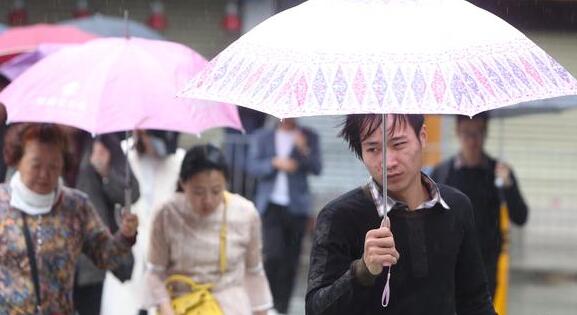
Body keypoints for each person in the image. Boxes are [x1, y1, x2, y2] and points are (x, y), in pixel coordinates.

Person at [306, 114, 496, 315]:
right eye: (373, 149)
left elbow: (475, 301)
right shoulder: (339, 216)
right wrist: (363, 270)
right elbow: (316, 309)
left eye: (398, 144)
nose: (388, 162)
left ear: (422, 137)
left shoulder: (456, 207)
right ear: (361, 152)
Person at [0, 123, 138, 314]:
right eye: (36, 165)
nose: (44, 174)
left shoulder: (76, 206)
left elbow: (106, 256)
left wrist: (125, 235)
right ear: (17, 160)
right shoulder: (2, 203)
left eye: (54, 166)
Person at [141, 144, 273, 315]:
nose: (208, 200)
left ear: (226, 183)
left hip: (230, 307)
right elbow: (155, 273)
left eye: (216, 191)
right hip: (181, 306)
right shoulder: (166, 214)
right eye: (198, 192)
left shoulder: (245, 214)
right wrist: (165, 308)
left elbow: (254, 272)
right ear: (183, 183)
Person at [430, 112, 528, 297]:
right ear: (458, 131)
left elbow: (521, 217)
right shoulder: (442, 173)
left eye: (478, 133)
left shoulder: (498, 173)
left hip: (486, 266)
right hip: (450, 264)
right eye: (467, 133)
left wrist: (508, 186)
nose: (473, 140)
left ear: (486, 132)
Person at [100, 129, 185, 315]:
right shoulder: (121, 155)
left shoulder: (179, 161)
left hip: (164, 251)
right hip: (130, 248)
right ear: (141, 132)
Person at [247, 118, 322, 315]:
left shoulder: (309, 136)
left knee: (291, 260)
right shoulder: (263, 136)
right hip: (270, 205)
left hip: (297, 207)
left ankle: (282, 308)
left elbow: (317, 168)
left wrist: (304, 148)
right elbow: (252, 166)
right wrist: (274, 163)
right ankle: (267, 305)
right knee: (272, 255)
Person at [74, 133, 141, 315]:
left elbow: (132, 192)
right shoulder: (40, 136)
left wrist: (105, 172)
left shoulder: (102, 140)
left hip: (92, 255)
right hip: (53, 252)